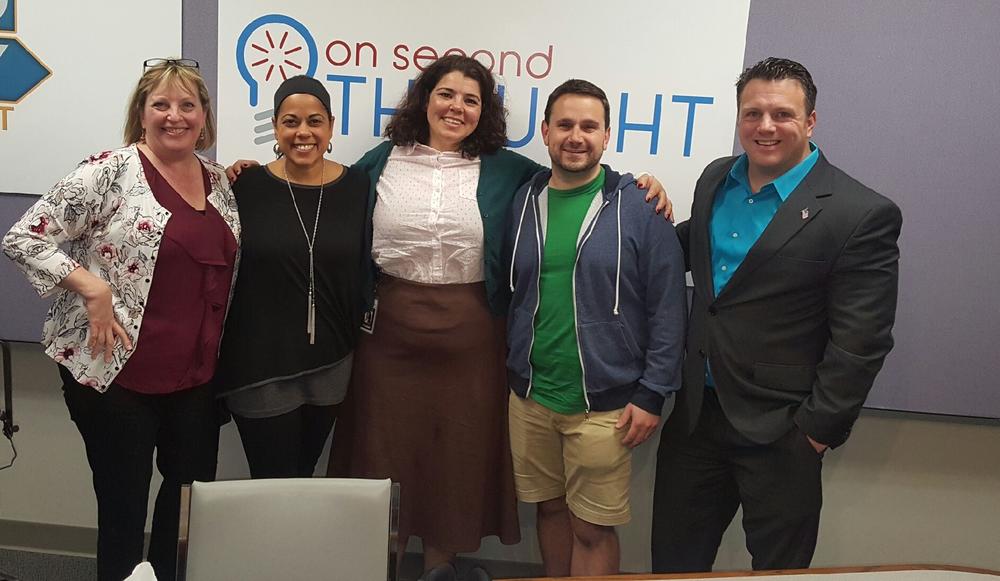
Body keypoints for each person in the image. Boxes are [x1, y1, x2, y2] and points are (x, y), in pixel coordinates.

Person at [651, 57, 902, 573]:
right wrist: (633, 209)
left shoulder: (860, 214)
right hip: (696, 419)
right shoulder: (717, 178)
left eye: (782, 114)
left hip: (783, 431)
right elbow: (691, 250)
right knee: (674, 567)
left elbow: (862, 340)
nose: (765, 127)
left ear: (811, 122)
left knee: (778, 574)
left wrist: (814, 433)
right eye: (752, 113)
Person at [2, 59, 239, 581]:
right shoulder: (108, 171)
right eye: (161, 104)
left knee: (186, 503)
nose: (174, 116)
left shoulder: (219, 180)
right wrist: (91, 286)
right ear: (141, 112)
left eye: (187, 105)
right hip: (115, 372)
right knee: (124, 505)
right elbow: (23, 237)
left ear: (204, 117)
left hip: (196, 377)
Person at [505, 79, 687, 576]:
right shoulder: (523, 202)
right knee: (548, 510)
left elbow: (670, 309)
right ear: (544, 132)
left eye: (589, 126)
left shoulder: (642, 208)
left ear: (607, 135)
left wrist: (653, 393)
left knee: (592, 529)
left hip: (606, 405)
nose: (576, 136)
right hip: (531, 397)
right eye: (564, 124)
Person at [214, 76, 369, 479]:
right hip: (259, 366)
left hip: (332, 363)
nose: (303, 132)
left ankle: (292, 545)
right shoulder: (244, 186)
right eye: (290, 121)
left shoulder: (358, 186)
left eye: (315, 121)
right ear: (276, 128)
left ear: (331, 127)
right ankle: (268, 546)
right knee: (271, 479)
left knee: (303, 474)